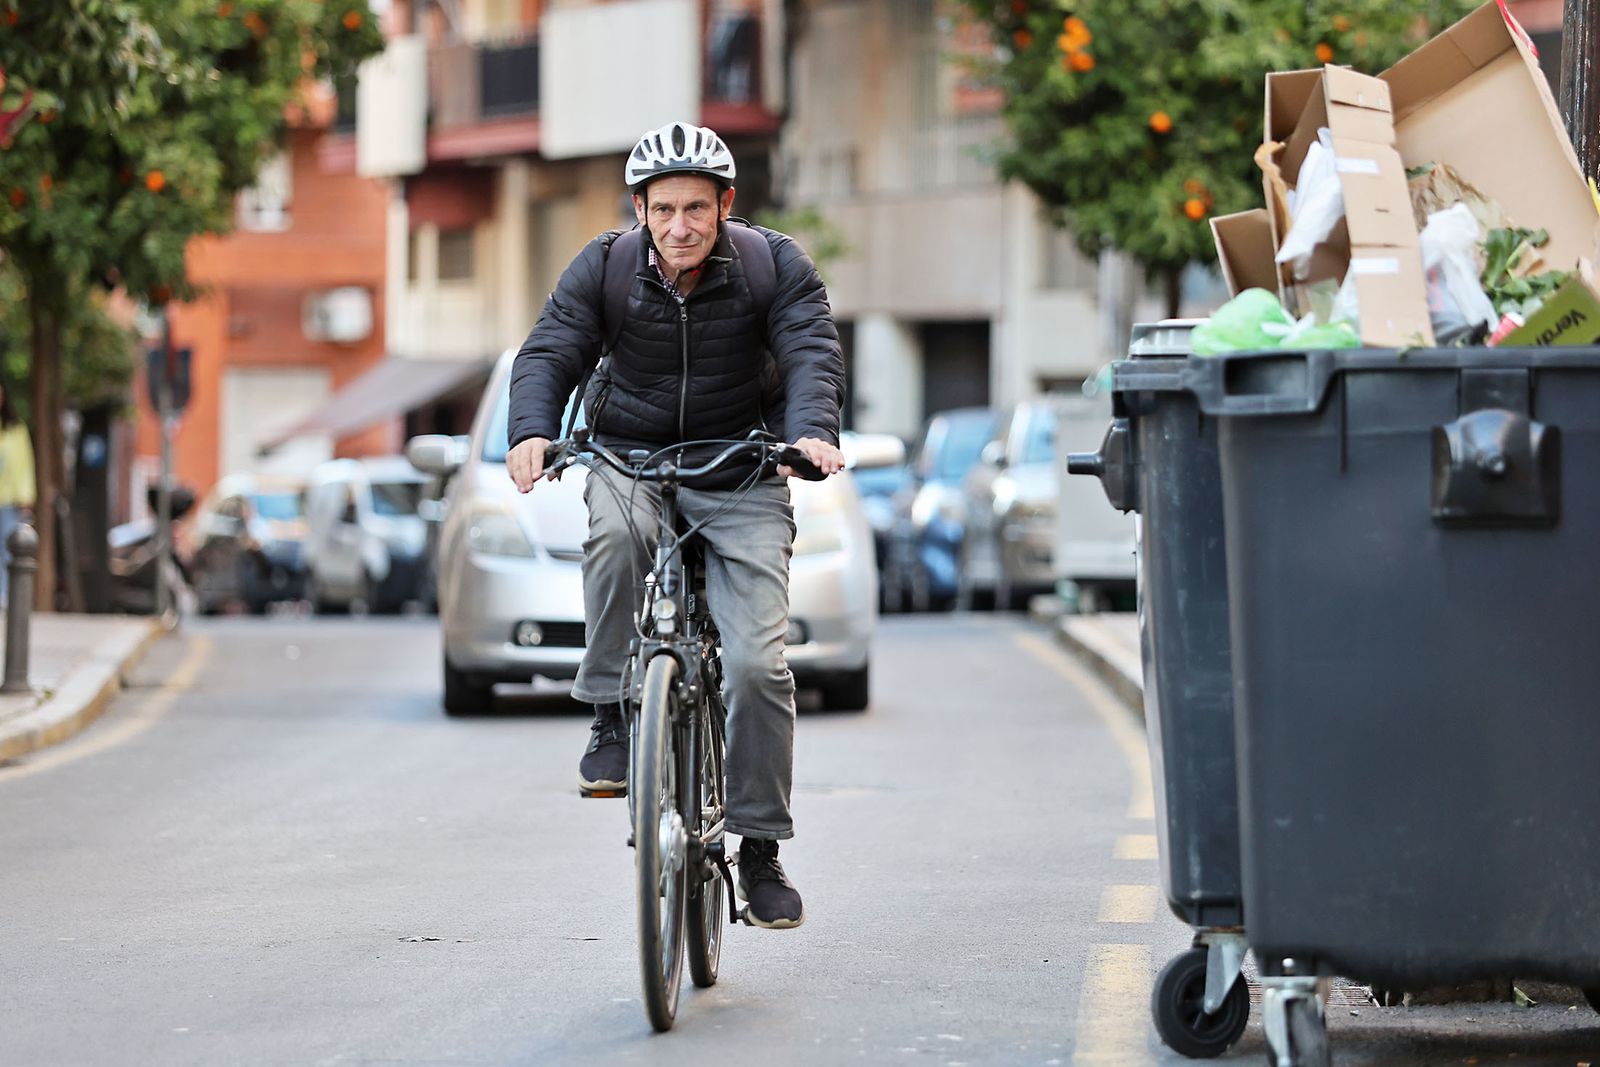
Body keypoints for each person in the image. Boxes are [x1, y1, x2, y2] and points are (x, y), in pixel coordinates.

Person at [505, 121, 845, 929]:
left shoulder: (774, 265)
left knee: (761, 665)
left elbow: (810, 350)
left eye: (697, 207)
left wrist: (813, 431)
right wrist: (529, 428)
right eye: (664, 210)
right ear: (640, 209)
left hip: (743, 468)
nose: (680, 226)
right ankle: (611, 714)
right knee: (617, 538)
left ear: (726, 204)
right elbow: (553, 345)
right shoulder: (607, 266)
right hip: (630, 456)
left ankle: (760, 848)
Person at [0, 382, 34, 606]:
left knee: (8, 549)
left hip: (8, 501)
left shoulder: (15, 429)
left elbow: (24, 465)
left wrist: (26, 498)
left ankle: (5, 597)